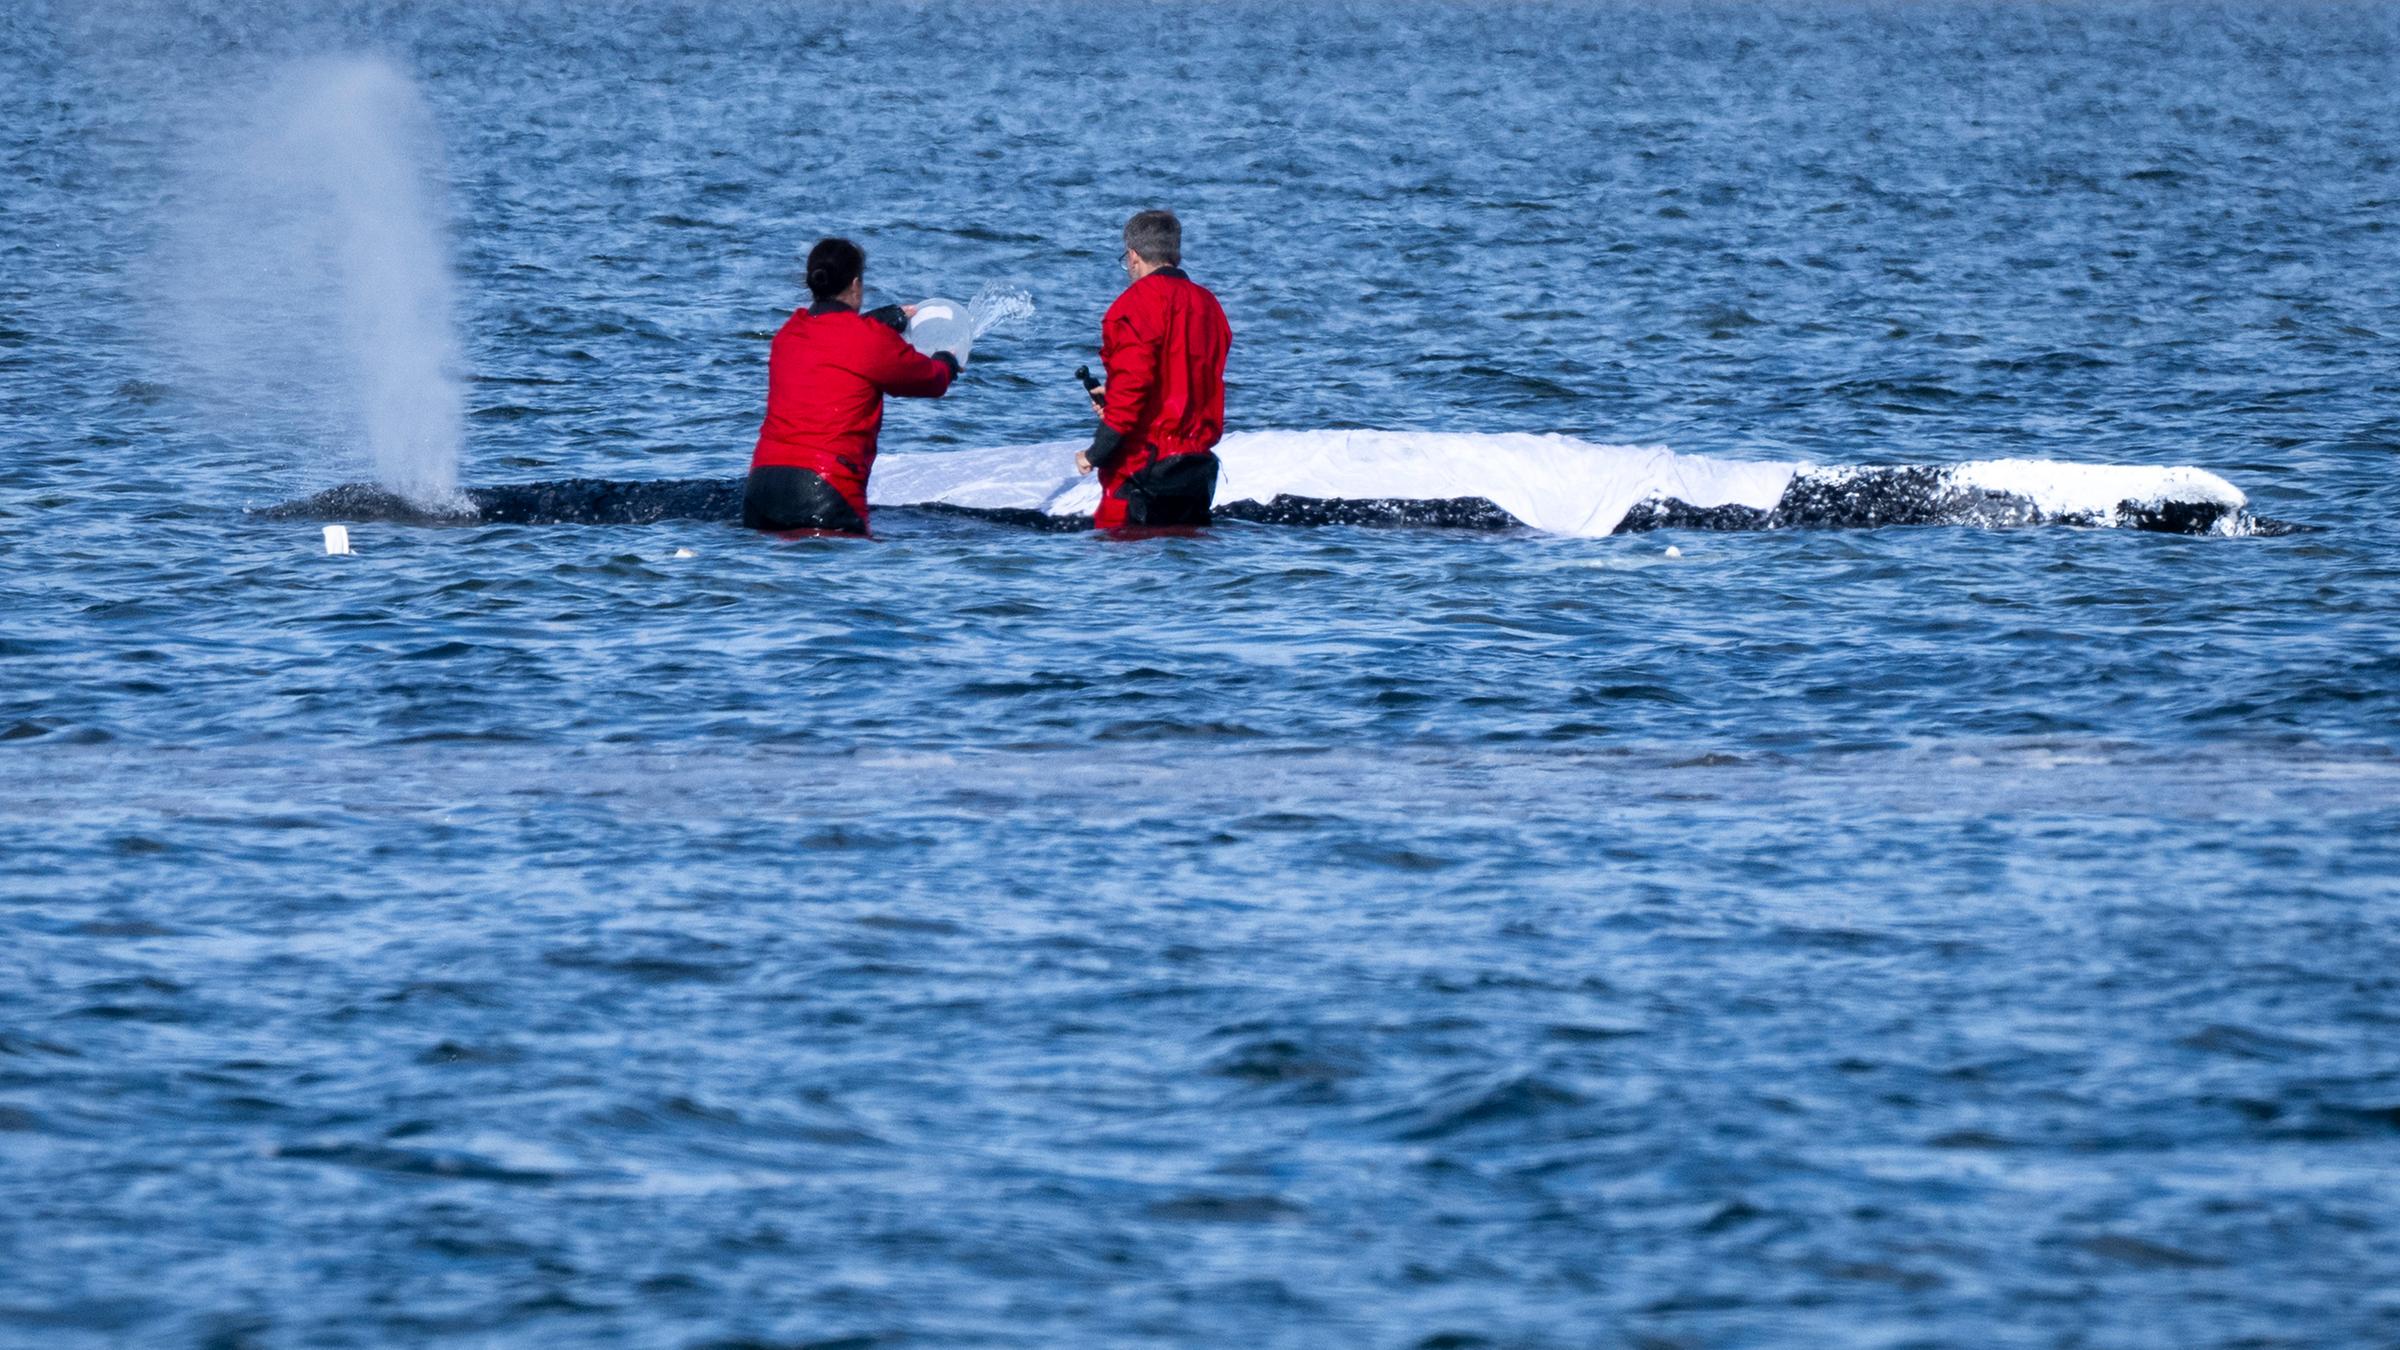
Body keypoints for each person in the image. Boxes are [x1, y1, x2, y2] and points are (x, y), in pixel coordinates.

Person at [746, 238, 961, 534]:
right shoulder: (869, 340)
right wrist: (948, 359)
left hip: (761, 489)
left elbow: (833, 340)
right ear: (856, 284)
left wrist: (883, 321)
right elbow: (931, 380)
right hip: (825, 492)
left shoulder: (788, 333)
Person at [1075, 209, 1232, 528]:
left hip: (1141, 472)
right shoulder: (1209, 306)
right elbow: (1189, 377)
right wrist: (1115, 392)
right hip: (1195, 471)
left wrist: (1094, 454)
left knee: (1121, 560)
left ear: (1133, 256)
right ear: (1176, 252)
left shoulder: (1132, 307)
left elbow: (1131, 399)